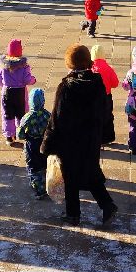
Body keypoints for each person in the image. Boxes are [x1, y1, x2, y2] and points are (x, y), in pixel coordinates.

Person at [44, 43, 119, 227]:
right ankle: (107, 205)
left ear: (69, 63)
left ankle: (73, 215)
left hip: (70, 142)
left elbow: (57, 117)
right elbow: (105, 112)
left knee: (70, 178)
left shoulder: (66, 86)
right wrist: (106, 134)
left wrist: (48, 142)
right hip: (91, 140)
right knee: (91, 173)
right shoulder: (98, 83)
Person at [0, 38, 36, 147]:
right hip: (20, 93)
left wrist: (2, 85)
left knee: (7, 114)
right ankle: (22, 132)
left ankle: (9, 136)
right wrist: (33, 80)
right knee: (21, 113)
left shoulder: (3, 66)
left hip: (7, 92)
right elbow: (27, 79)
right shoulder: (23, 67)